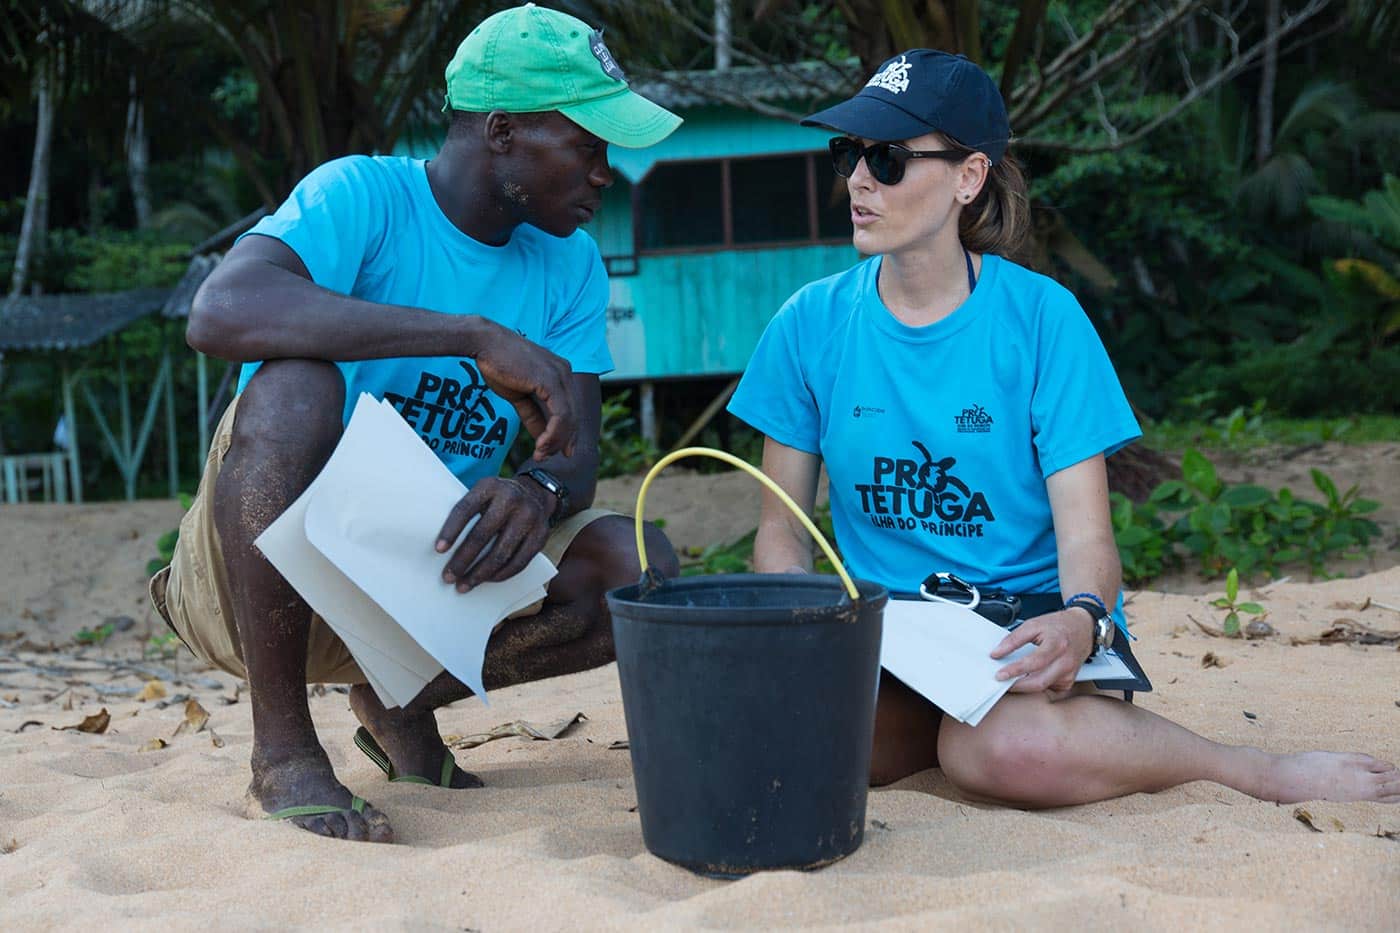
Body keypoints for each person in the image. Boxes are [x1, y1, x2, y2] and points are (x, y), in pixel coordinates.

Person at [727, 49, 1399, 808]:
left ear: (968, 178)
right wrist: (798, 638)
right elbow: (780, 537)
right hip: (890, 644)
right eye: (849, 153)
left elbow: (1088, 541)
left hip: (1033, 630)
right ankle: (950, 730)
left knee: (1004, 747)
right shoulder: (808, 325)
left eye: (886, 159)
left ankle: (1246, 768)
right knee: (788, 729)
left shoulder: (1043, 321)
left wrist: (1081, 622)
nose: (857, 179)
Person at [147, 4, 682, 843]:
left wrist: (535, 492)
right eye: (587, 145)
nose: (605, 173)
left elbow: (573, 459)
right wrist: (470, 334)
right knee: (295, 386)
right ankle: (282, 749)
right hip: (256, 579)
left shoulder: (570, 264)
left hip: (411, 589)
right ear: (501, 130)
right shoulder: (361, 195)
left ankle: (400, 704)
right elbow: (220, 312)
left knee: (636, 561)